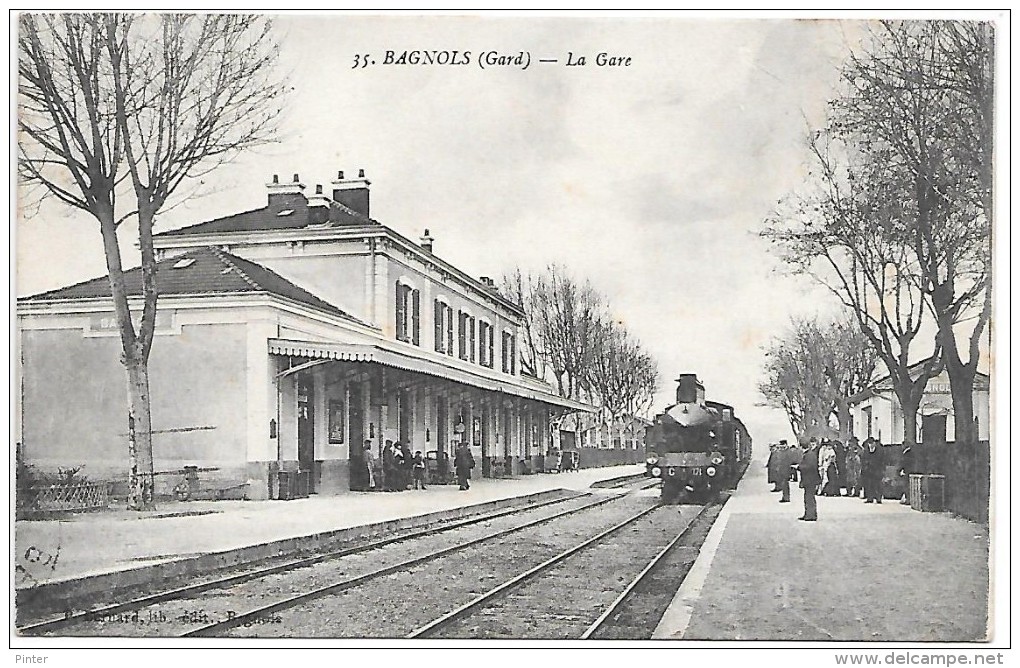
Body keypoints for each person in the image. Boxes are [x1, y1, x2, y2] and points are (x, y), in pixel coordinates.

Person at [798, 438, 821, 521]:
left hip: (810, 479)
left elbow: (810, 467)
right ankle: (808, 513)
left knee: (809, 497)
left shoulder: (809, 455)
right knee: (807, 497)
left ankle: (811, 515)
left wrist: (799, 467)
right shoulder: (809, 454)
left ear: (801, 446)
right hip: (809, 479)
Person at [861, 437, 883, 504]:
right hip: (869, 470)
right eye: (869, 444)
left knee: (877, 485)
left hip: (877, 470)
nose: (870, 445)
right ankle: (869, 498)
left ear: (874, 443)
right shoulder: (866, 450)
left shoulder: (879, 450)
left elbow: (881, 460)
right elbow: (864, 459)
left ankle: (878, 498)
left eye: (871, 443)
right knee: (869, 484)